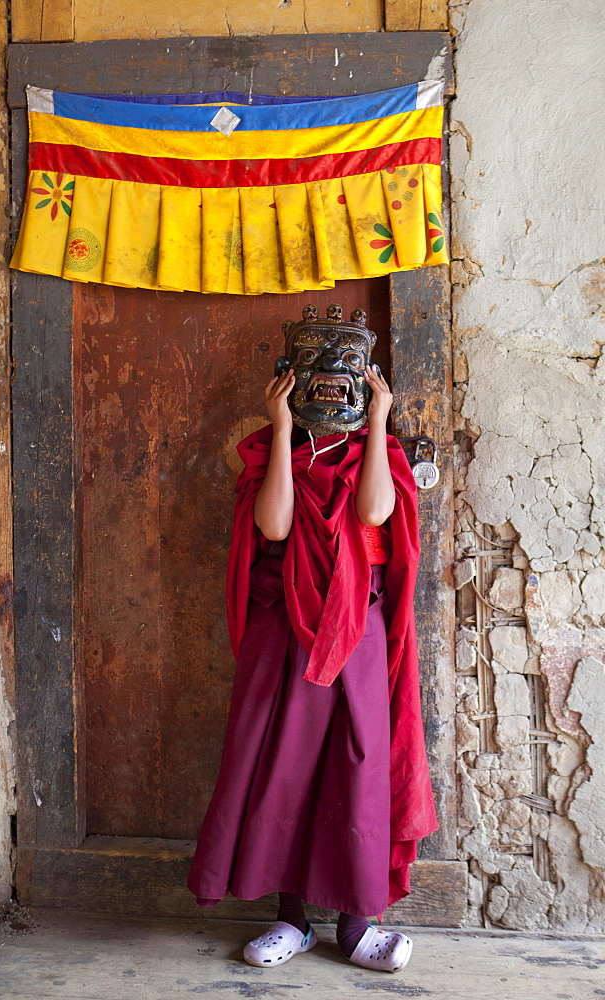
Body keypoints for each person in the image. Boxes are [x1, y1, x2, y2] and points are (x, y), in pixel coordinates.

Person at [187, 304, 437, 973]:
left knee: (356, 771)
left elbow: (374, 512)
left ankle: (358, 926)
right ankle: (290, 920)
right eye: (316, 366)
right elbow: (274, 527)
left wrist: (380, 424)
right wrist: (280, 427)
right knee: (283, 774)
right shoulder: (272, 452)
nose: (334, 379)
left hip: (356, 637)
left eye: (350, 365)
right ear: (287, 377)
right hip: (283, 640)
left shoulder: (374, 452)